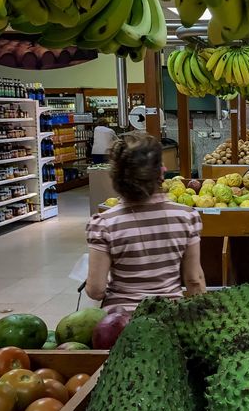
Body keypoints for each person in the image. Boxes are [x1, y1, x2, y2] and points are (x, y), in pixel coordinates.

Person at [85, 133, 206, 314]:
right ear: (161, 173)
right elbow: (194, 280)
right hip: (168, 319)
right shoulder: (186, 217)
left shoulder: (104, 223)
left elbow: (95, 290)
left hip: (120, 324)